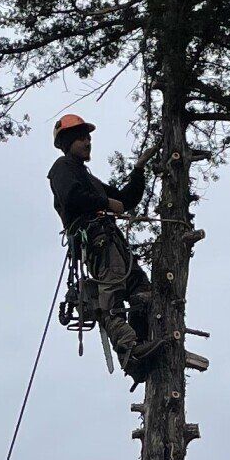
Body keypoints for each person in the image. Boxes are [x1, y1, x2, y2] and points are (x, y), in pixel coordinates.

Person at [48, 113, 165, 380]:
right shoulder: (62, 168)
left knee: (141, 290)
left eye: (88, 137)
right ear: (67, 142)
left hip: (111, 240)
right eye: (80, 137)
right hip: (96, 239)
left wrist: (138, 169)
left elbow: (125, 200)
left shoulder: (89, 179)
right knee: (111, 295)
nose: (87, 141)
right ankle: (130, 353)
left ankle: (142, 342)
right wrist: (105, 203)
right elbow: (72, 197)